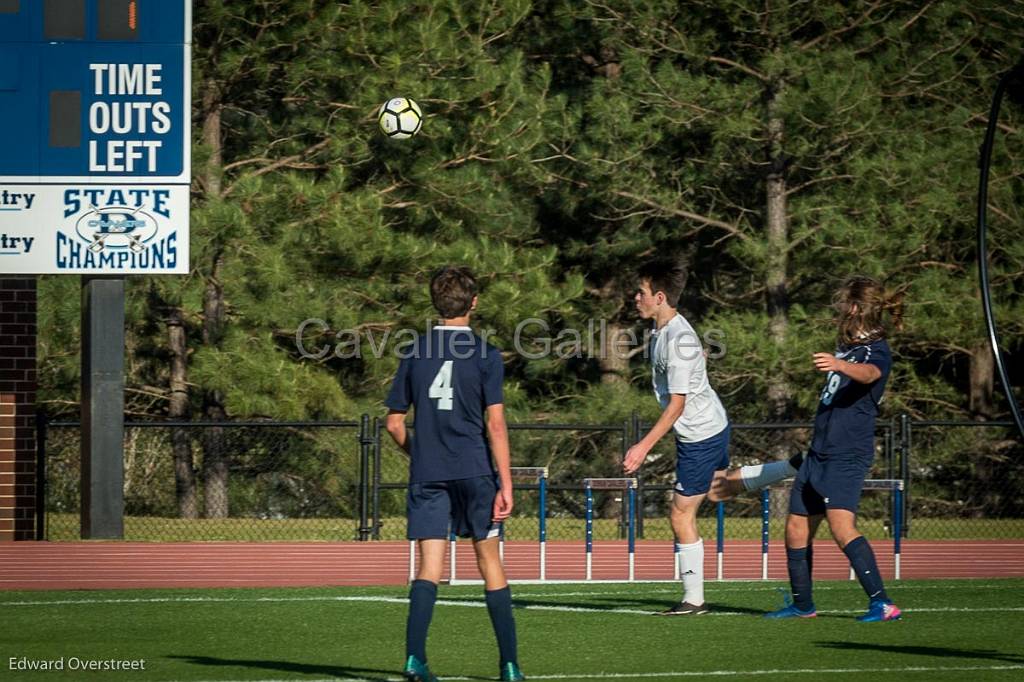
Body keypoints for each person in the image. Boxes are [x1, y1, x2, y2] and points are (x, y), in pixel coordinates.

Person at [623, 258, 800, 615]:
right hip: (709, 426)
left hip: (699, 434)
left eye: (640, 293)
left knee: (680, 513)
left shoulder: (677, 339)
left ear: (659, 297)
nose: (635, 298)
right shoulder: (666, 331)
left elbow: (676, 405)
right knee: (719, 491)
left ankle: (693, 600)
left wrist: (643, 446)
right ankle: (794, 466)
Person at [385, 266, 525, 682]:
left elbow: (394, 424)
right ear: (474, 303)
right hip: (475, 471)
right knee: (490, 562)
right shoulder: (486, 354)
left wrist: (421, 453)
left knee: (429, 566)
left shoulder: (414, 351)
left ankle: (415, 659)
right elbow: (495, 425)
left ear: (435, 303)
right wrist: (507, 482)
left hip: (429, 473)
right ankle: (510, 666)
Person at [765, 276, 904, 622]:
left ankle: (882, 603)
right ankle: (802, 605)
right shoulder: (849, 347)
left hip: (846, 454)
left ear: (856, 308)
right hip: (819, 453)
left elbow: (871, 374)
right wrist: (840, 360)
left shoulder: (876, 350)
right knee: (796, 528)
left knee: (842, 528)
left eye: (844, 304)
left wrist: (841, 365)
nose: (839, 311)